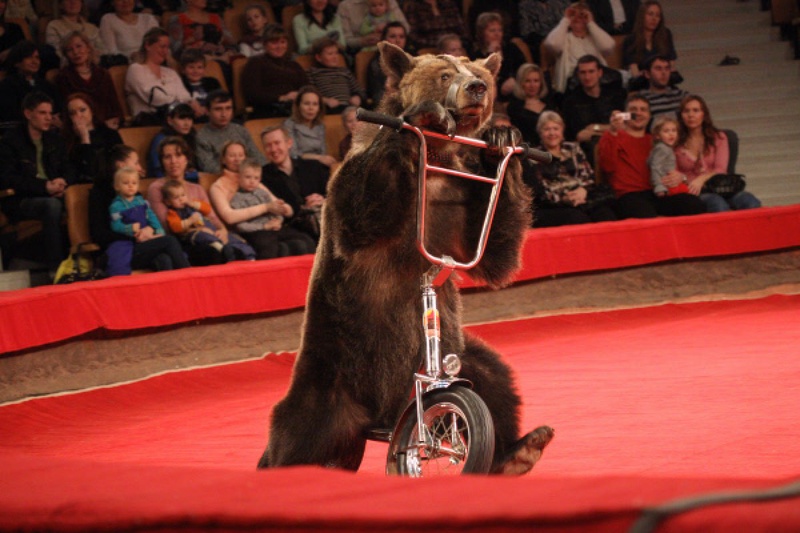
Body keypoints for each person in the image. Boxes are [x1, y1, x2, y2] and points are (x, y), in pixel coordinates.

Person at [0, 91, 73, 274]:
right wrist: (44, 187)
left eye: (50, 113)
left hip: (53, 193)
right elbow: (8, 178)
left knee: (78, 200)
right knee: (51, 206)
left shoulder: (54, 139)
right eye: (42, 113)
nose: (48, 118)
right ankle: (55, 269)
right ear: (28, 114)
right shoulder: (10, 141)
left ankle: (85, 260)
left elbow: (69, 169)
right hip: (21, 199)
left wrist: (63, 181)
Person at [597, 94, 705, 218]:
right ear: (625, 114)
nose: (638, 113)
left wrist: (680, 177)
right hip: (628, 195)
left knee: (695, 205)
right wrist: (613, 132)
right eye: (633, 110)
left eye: (643, 110)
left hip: (657, 192)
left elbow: (669, 168)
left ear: (649, 116)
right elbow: (607, 167)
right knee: (647, 215)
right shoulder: (612, 136)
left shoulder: (657, 140)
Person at [147, 135, 231, 265]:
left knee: (234, 249)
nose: (173, 161)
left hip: (207, 234)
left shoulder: (197, 188)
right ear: (162, 161)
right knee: (211, 251)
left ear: (186, 159)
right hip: (182, 242)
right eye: (167, 157)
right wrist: (199, 230)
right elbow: (167, 227)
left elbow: (212, 217)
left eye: (178, 155)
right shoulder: (156, 188)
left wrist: (222, 230)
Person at [674, 94, 761, 212]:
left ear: (704, 114)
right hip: (695, 191)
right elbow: (674, 173)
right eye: (686, 111)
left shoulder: (719, 137)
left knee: (750, 202)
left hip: (722, 188)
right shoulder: (675, 142)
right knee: (717, 204)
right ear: (681, 116)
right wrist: (686, 179)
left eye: (696, 110)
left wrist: (702, 179)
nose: (691, 115)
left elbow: (720, 169)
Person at [531, 110, 617, 226]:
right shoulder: (535, 156)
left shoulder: (573, 148)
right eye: (547, 129)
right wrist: (564, 198)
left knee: (606, 215)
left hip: (583, 196)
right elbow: (541, 189)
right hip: (557, 204)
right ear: (540, 133)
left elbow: (588, 175)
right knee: (578, 218)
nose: (552, 133)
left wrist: (583, 191)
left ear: (562, 130)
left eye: (556, 128)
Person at [230, 157, 316, 258]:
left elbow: (278, 211)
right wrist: (264, 227)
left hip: (274, 227)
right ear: (239, 178)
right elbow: (241, 226)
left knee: (306, 240)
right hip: (256, 231)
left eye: (256, 178)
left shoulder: (263, 193)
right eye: (248, 177)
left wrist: (278, 221)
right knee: (269, 247)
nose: (252, 181)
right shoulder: (237, 198)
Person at [109, 166, 190, 271]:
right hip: (133, 246)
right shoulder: (116, 206)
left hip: (148, 239)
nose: (130, 186)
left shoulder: (142, 201)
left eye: (134, 183)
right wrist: (129, 228)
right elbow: (115, 225)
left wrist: (158, 231)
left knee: (164, 259)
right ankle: (188, 274)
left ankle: (172, 286)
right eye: (125, 183)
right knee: (170, 240)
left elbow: (152, 217)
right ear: (117, 186)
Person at [260, 125, 329, 242]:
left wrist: (323, 200)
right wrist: (304, 208)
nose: (273, 149)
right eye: (268, 145)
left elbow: (336, 193)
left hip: (323, 216)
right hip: (292, 226)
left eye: (277, 143)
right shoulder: (262, 177)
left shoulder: (313, 166)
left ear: (289, 143)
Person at [161, 178, 255, 261]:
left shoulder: (192, 203)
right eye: (176, 198)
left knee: (232, 237)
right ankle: (221, 249)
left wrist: (192, 203)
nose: (181, 199)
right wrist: (190, 221)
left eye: (183, 195)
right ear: (168, 202)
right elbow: (176, 227)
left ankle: (248, 255)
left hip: (210, 228)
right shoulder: (172, 213)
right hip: (193, 234)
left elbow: (207, 209)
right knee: (203, 236)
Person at [125, 28, 201, 126]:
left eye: (167, 47)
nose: (166, 51)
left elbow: (185, 95)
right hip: (150, 121)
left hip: (176, 120)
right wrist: (185, 102)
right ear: (148, 45)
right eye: (162, 47)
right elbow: (156, 98)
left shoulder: (170, 72)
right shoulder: (135, 69)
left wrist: (190, 102)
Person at [208, 139, 280, 235]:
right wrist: (266, 208)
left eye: (241, 155)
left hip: (268, 224)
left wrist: (279, 218)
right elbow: (230, 217)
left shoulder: (253, 179)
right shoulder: (218, 186)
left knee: (300, 242)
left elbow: (277, 204)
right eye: (232, 156)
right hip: (245, 229)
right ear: (223, 160)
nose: (237, 159)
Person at [543, 1, 615, 94]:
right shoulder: (563, 38)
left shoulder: (595, 37)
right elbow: (552, 44)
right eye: (573, 15)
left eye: (582, 15)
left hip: (598, 82)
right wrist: (566, 20)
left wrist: (590, 23)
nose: (577, 19)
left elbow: (608, 47)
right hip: (572, 85)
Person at [55, 31, 123, 129]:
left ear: (88, 47)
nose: (76, 52)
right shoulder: (64, 77)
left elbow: (113, 104)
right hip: (81, 127)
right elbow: (67, 109)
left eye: (79, 46)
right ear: (66, 55)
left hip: (108, 125)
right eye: (70, 50)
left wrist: (113, 120)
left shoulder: (103, 74)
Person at [242, 24, 308, 118]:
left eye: (283, 42)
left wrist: (299, 95)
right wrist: (282, 98)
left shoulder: (294, 65)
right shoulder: (256, 62)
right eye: (274, 43)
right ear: (265, 44)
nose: (279, 46)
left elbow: (307, 88)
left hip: (296, 107)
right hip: (269, 109)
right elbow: (252, 94)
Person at [195, 90, 266, 173]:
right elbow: (209, 167)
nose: (224, 114)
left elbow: (257, 157)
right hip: (223, 180)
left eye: (228, 108)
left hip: (250, 177)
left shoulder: (241, 130)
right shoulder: (202, 137)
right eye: (218, 109)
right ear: (207, 111)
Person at [561, 54, 626, 144]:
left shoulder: (615, 95)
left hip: (618, 142)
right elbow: (580, 135)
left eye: (591, 71)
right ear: (578, 75)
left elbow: (624, 126)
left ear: (600, 73)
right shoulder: (571, 102)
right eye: (583, 73)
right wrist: (611, 129)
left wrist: (595, 127)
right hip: (588, 147)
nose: (587, 77)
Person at [62, 92, 123, 183]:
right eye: (72, 113)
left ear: (92, 110)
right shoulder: (66, 140)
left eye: (82, 110)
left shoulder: (110, 134)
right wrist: (84, 138)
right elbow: (87, 171)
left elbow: (121, 162)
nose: (78, 115)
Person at [0, 40, 62, 128]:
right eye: (29, 57)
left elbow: (58, 108)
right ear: (17, 62)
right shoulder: (7, 86)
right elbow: (9, 115)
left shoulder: (46, 85)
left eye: (37, 57)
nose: (35, 61)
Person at [470, 12, 525, 101]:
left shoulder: (511, 48)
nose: (497, 34)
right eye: (492, 31)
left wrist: (515, 79)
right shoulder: (476, 55)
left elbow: (524, 68)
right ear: (482, 33)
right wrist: (490, 54)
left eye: (499, 30)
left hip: (516, 91)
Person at [306, 36, 365, 113]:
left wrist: (357, 97)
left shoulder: (345, 71)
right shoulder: (312, 72)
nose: (335, 57)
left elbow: (359, 90)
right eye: (330, 54)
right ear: (318, 57)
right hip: (328, 108)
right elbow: (309, 93)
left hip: (349, 107)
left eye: (336, 53)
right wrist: (325, 100)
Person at [283, 85, 338, 166]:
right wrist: (318, 158)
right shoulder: (289, 124)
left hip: (318, 166)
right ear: (298, 106)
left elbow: (323, 152)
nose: (311, 108)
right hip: (299, 166)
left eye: (315, 104)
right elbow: (293, 154)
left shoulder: (320, 125)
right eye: (306, 103)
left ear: (319, 108)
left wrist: (322, 159)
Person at [622, 1, 676, 82]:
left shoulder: (666, 35)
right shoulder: (631, 39)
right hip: (642, 82)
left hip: (664, 80)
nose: (654, 19)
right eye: (650, 14)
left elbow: (671, 61)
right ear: (642, 16)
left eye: (657, 15)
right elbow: (634, 70)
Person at [167, 0, 237, 63]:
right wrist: (192, 40)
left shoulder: (216, 17)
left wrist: (222, 38)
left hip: (218, 52)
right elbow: (175, 49)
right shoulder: (178, 19)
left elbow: (232, 42)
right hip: (195, 59)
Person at [147, 102, 199, 179]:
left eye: (189, 119)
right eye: (181, 118)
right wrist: (193, 174)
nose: (187, 123)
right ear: (170, 120)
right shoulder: (160, 140)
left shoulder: (192, 137)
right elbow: (158, 172)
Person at [46, 0, 106, 65]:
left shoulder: (92, 28)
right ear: (60, 5)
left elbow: (102, 51)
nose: (73, 2)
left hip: (94, 66)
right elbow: (56, 52)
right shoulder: (54, 26)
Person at [506, 63, 553, 147]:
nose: (532, 85)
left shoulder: (550, 106)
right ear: (521, 83)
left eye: (536, 81)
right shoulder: (514, 108)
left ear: (541, 83)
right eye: (527, 81)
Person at [336, 0, 408, 52]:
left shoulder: (390, 2)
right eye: (374, 6)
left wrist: (390, 34)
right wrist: (362, 41)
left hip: (392, 47)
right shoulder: (345, 6)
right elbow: (345, 41)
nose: (378, 8)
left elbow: (405, 28)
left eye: (381, 5)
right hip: (363, 50)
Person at [636, 54, 686, 123]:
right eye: (658, 69)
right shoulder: (639, 99)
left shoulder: (682, 96)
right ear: (647, 74)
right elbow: (627, 118)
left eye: (667, 68)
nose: (664, 72)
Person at [366, 21, 406, 106]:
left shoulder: (413, 59)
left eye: (401, 37)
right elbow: (377, 94)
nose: (398, 40)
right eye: (393, 36)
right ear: (384, 40)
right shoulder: (377, 63)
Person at [401, 0, 466, 52]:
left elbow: (461, 29)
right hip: (429, 48)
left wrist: (454, 42)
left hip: (455, 45)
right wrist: (441, 44)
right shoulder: (413, 7)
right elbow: (413, 35)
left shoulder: (449, 4)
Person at [519, 0, 570, 65]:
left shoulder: (563, 3)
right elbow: (526, 31)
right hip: (537, 41)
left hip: (562, 37)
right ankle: (545, 72)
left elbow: (568, 24)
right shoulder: (525, 5)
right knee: (546, 44)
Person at [647, 115, 687, 196]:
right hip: (666, 185)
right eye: (666, 131)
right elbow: (654, 166)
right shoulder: (662, 148)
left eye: (674, 130)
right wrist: (659, 186)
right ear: (657, 135)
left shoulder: (667, 148)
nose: (671, 134)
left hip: (670, 182)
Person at [179, 48, 221, 120]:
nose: (196, 71)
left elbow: (221, 100)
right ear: (183, 70)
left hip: (213, 116)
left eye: (199, 67)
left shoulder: (213, 82)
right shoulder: (180, 85)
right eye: (191, 67)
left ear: (204, 69)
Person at [0, 0, 27, 65]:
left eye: (3, 1)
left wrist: (12, 51)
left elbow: (27, 49)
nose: (1, 6)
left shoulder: (15, 28)